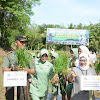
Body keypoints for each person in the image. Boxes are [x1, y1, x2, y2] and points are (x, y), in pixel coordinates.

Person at [2, 35, 35, 100]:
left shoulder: (28, 56)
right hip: (11, 84)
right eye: (21, 42)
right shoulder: (10, 55)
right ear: (16, 43)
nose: (24, 44)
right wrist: (13, 69)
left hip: (24, 85)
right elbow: (4, 70)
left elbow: (33, 71)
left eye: (25, 42)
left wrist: (26, 70)